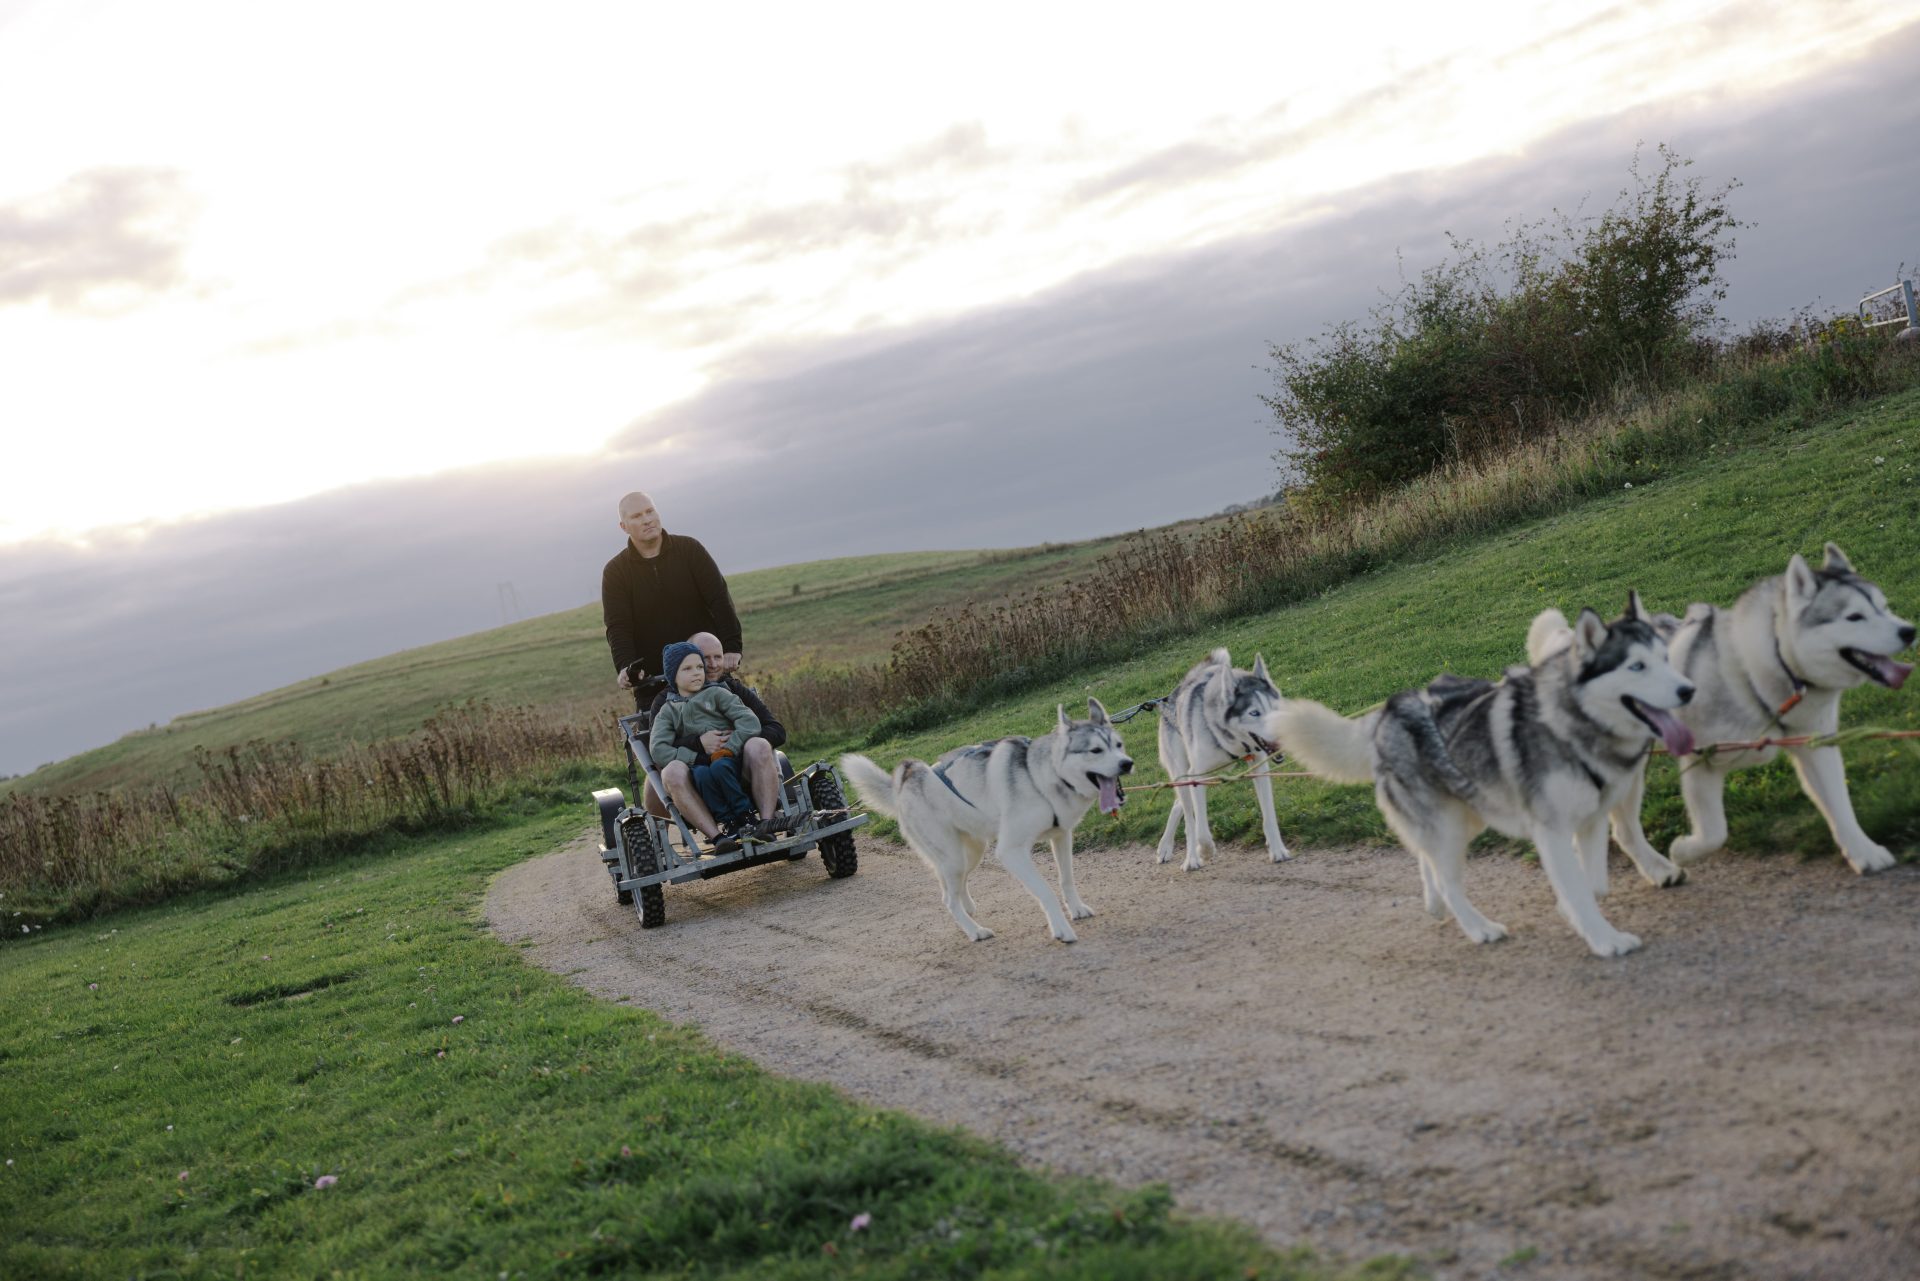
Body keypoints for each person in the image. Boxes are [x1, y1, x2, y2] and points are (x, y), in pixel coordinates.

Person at [644, 632, 793, 844]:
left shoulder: (731, 688)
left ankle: (766, 823)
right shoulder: (666, 702)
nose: (712, 665)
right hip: (698, 775)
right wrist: (699, 745)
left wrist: (735, 742)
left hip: (741, 766)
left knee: (759, 744)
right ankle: (717, 837)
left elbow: (776, 730)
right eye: (705, 659)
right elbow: (660, 748)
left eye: (718, 657)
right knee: (670, 771)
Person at [602, 491, 743, 692]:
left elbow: (719, 599)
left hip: (706, 672)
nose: (647, 520)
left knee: (739, 720)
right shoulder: (616, 571)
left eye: (650, 511)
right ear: (623, 527)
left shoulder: (690, 550)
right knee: (655, 723)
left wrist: (731, 648)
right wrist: (626, 666)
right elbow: (618, 627)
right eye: (636, 516)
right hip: (655, 682)